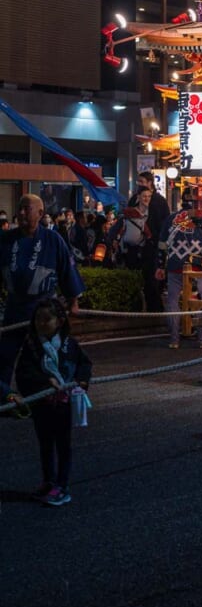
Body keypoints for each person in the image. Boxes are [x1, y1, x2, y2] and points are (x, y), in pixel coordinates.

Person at [0, 194, 84, 390]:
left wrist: (73, 300)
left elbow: (67, 270)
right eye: (20, 208)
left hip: (44, 308)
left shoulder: (53, 239)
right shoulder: (5, 239)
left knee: (46, 355)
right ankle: (3, 397)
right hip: (15, 307)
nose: (21, 213)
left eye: (26, 209)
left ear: (40, 213)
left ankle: (49, 394)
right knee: (5, 355)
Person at [14, 296, 92, 507]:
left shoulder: (69, 344)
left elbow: (84, 364)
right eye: (38, 319)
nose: (41, 323)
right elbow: (23, 372)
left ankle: (62, 485)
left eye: (46, 319)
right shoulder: (31, 346)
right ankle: (48, 481)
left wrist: (82, 382)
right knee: (45, 445)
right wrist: (43, 382)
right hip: (43, 404)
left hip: (64, 404)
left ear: (59, 321)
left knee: (63, 445)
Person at [155, 188, 202, 350]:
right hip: (198, 266)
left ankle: (174, 339)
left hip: (174, 265)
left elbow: (162, 244)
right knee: (200, 302)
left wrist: (159, 265)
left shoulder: (171, 219)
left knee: (173, 301)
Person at [129, 171, 170, 312]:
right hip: (135, 245)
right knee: (135, 277)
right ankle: (138, 308)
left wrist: (160, 243)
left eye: (142, 181)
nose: (139, 184)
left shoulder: (159, 201)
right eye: (138, 182)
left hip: (152, 246)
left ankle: (155, 310)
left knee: (152, 279)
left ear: (150, 183)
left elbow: (165, 224)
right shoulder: (134, 199)